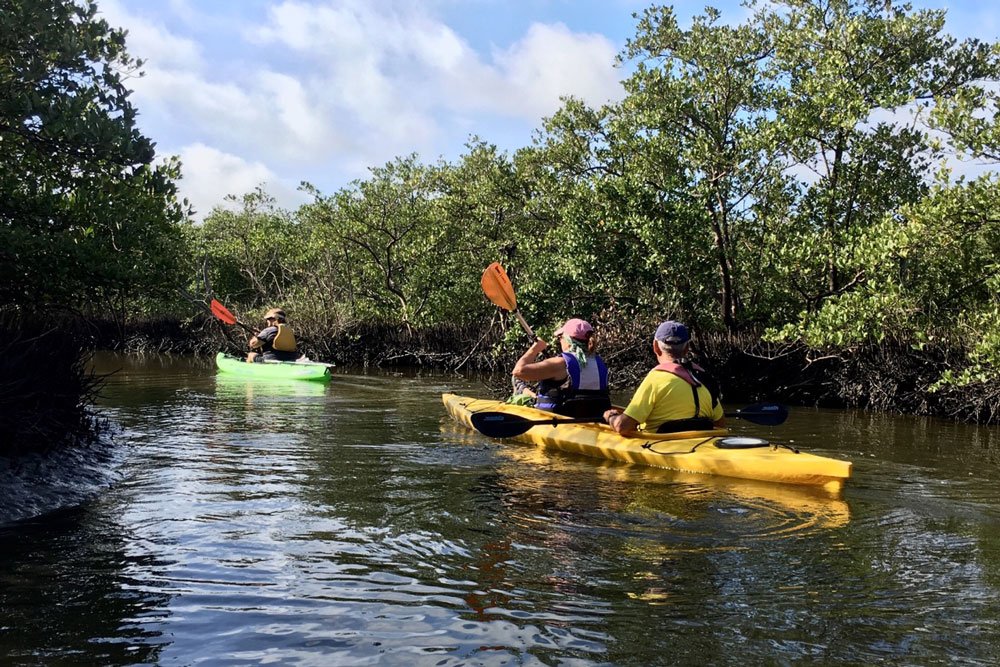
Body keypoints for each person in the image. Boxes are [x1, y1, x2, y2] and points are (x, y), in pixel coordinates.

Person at [603, 320, 724, 435]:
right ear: (687, 348)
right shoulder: (704, 379)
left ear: (655, 346)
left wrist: (611, 417)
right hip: (702, 444)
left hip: (660, 446)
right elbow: (720, 423)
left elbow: (622, 427)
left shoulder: (655, 380)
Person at [511, 318, 611, 418]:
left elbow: (518, 371)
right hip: (592, 419)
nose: (560, 341)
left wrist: (536, 347)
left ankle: (521, 390)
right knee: (532, 393)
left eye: (560, 337)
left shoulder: (560, 363)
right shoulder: (600, 364)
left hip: (557, 422)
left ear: (568, 341)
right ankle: (525, 391)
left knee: (516, 379)